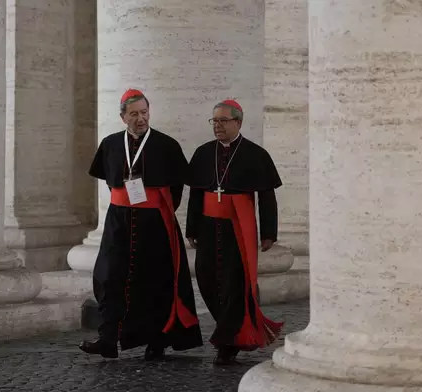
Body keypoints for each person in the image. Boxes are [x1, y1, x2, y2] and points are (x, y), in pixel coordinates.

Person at [79, 89, 203, 360]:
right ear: (123, 117)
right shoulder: (111, 144)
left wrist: (159, 210)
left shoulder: (166, 145)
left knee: (155, 280)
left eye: (144, 112)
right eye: (134, 114)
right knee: (108, 276)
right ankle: (108, 339)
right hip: (118, 220)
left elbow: (177, 187)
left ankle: (156, 340)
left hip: (155, 222)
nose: (140, 118)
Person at [185, 99, 284, 365]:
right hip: (207, 225)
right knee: (206, 278)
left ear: (238, 122)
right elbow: (195, 193)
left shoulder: (256, 154)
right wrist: (191, 227)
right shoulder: (203, 153)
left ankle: (227, 341)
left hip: (238, 226)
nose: (217, 126)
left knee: (234, 283)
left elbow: (266, 196)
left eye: (223, 121)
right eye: (214, 121)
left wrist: (268, 233)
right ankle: (229, 328)